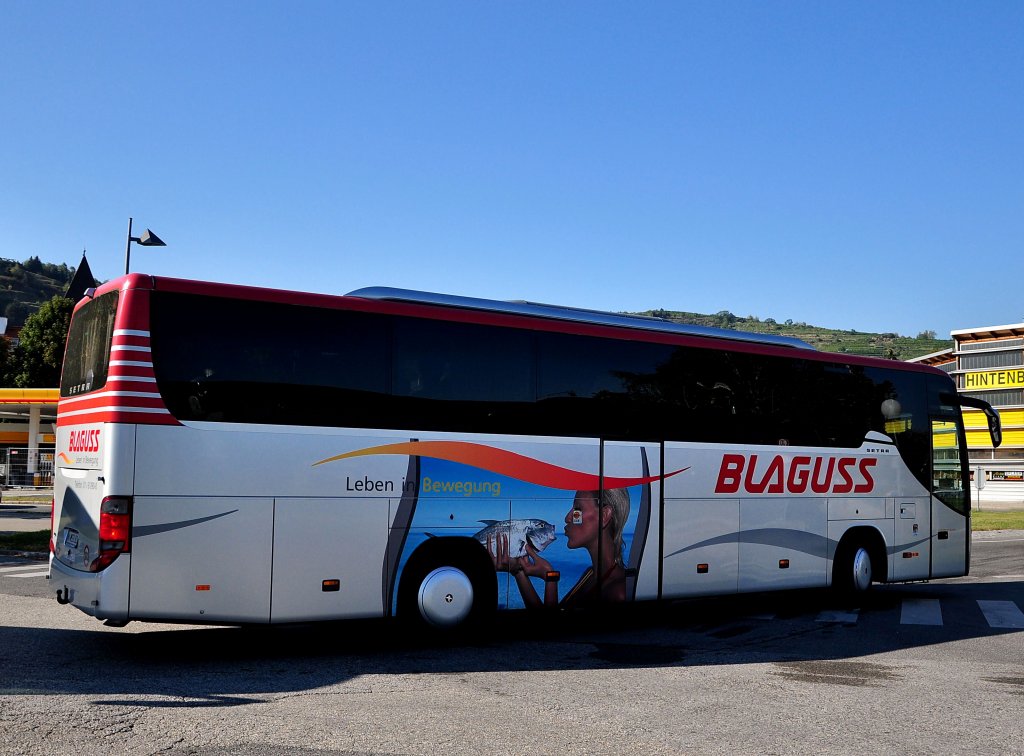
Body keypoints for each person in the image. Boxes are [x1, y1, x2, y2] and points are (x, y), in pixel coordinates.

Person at [488, 488, 630, 609]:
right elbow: (550, 621)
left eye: (577, 509)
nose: (567, 518)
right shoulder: (590, 574)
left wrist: (550, 578)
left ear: (604, 516)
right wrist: (519, 571)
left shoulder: (617, 593)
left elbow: (550, 633)